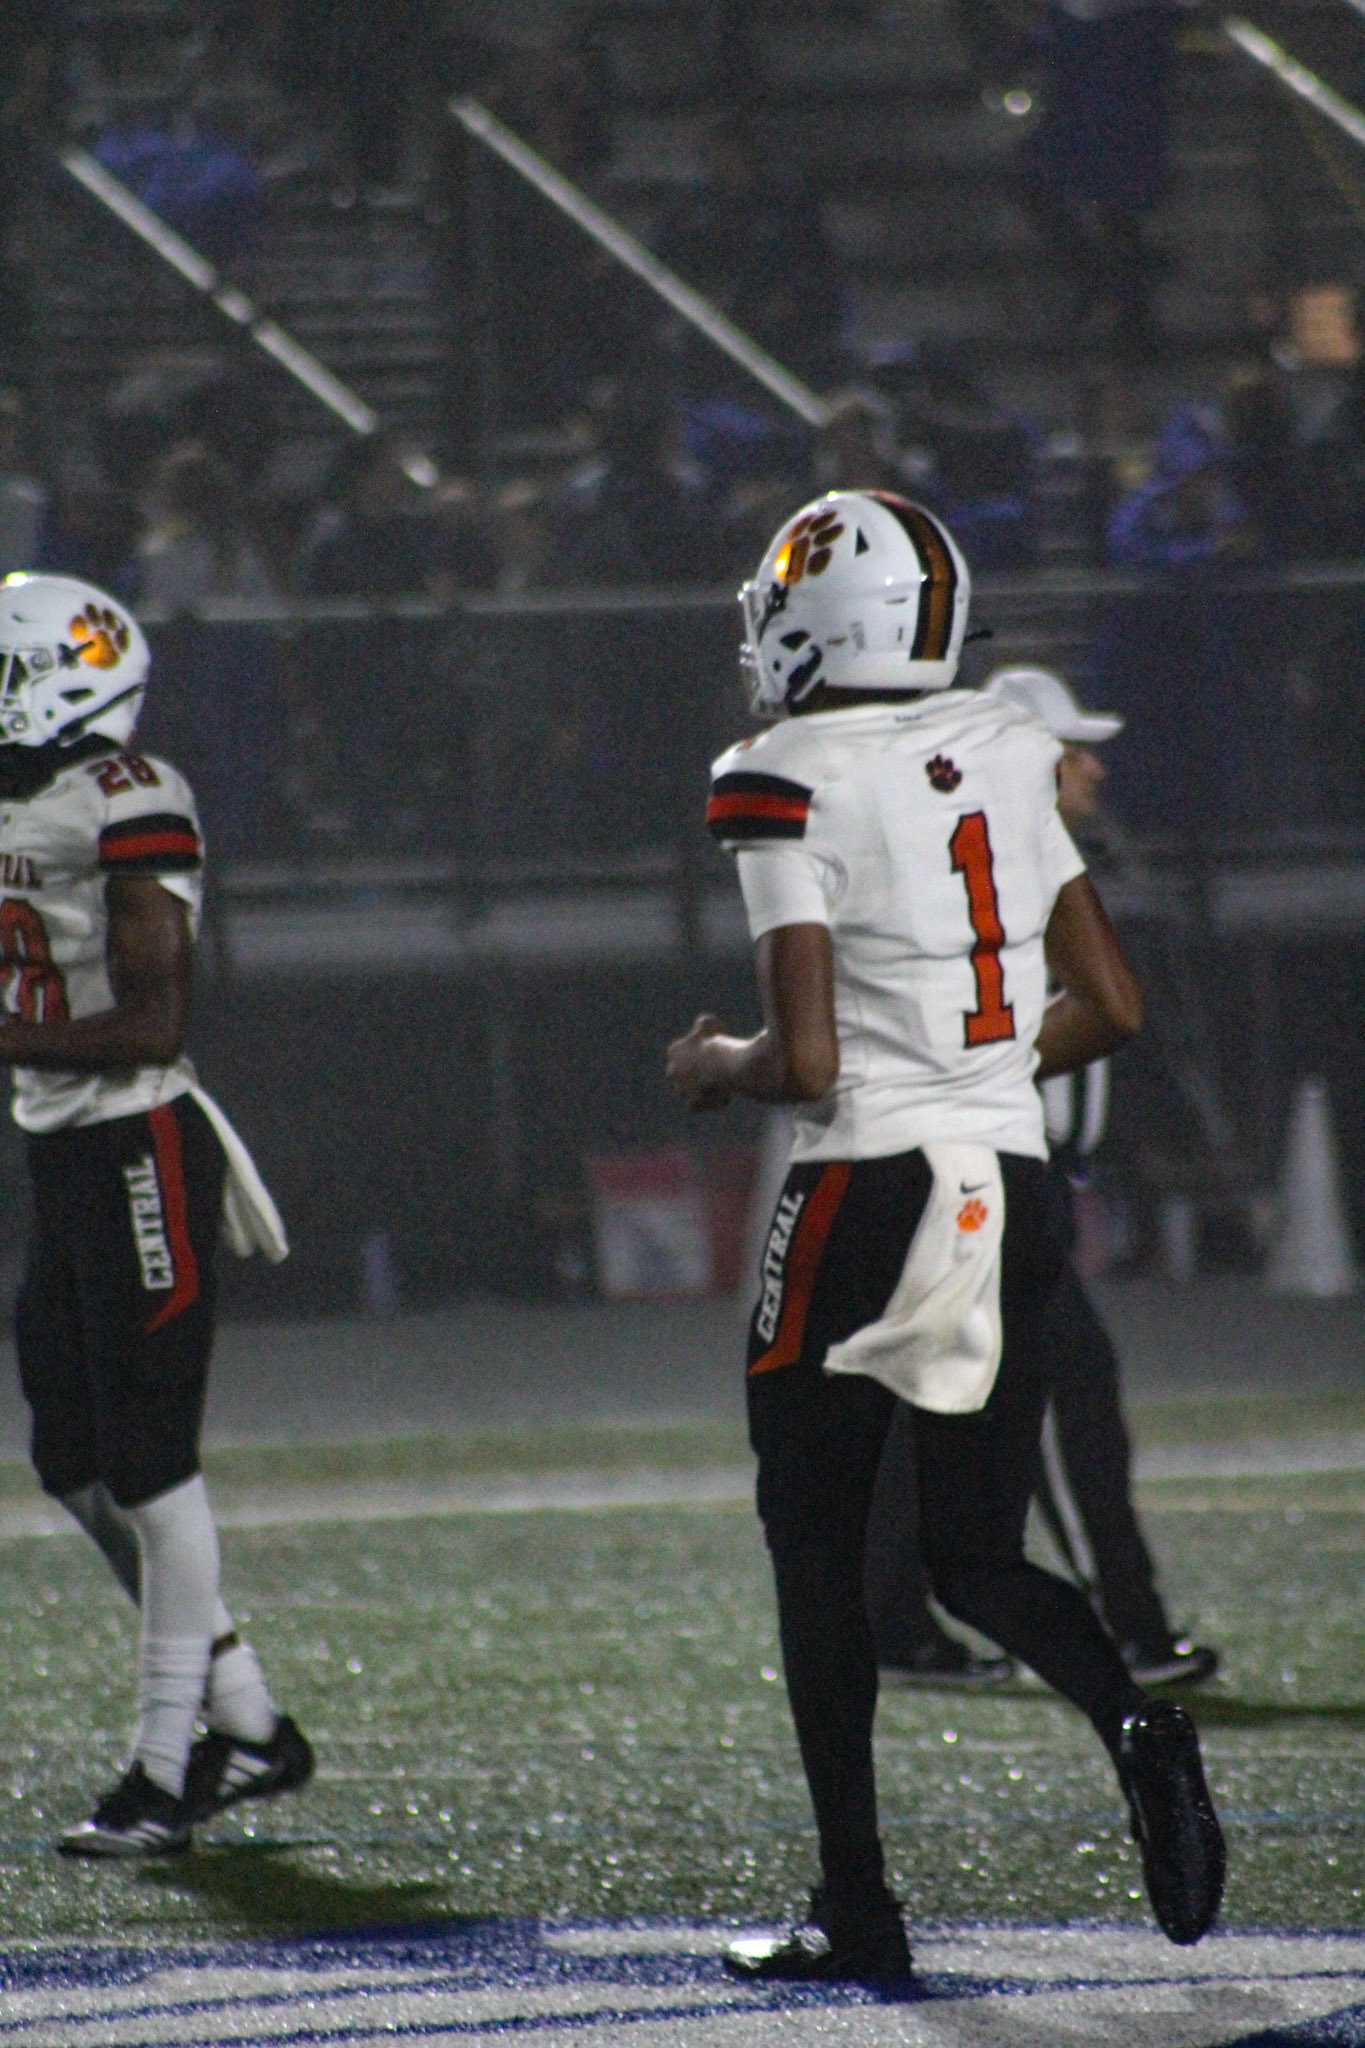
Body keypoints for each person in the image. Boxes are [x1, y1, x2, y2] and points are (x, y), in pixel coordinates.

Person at [667, 491, 1225, 1983]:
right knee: (978, 1551)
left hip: (863, 1189)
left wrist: (710, 1061)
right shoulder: (1006, 743)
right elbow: (1111, 1005)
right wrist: (967, 1075)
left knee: (816, 1550)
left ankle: (858, 1906)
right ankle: (1134, 1720)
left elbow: (805, 1063)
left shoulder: (776, 774)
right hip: (1012, 1179)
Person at [0, 572, 312, 1854]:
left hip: (139, 1142)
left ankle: (165, 1766)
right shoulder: (20, 795)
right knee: (71, 1455)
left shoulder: (131, 795)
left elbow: (152, 1021)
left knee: (149, 1459)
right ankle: (249, 1715)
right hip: (60, 1150)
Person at [864, 663, 1219, 1691]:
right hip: (983, 1173)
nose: (1095, 769)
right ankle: (1120, 1626)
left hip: (993, 1171)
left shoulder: (1016, 863)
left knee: (925, 1399)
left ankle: (892, 1623)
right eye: (1072, 752)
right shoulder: (991, 877)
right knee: (1068, 1389)